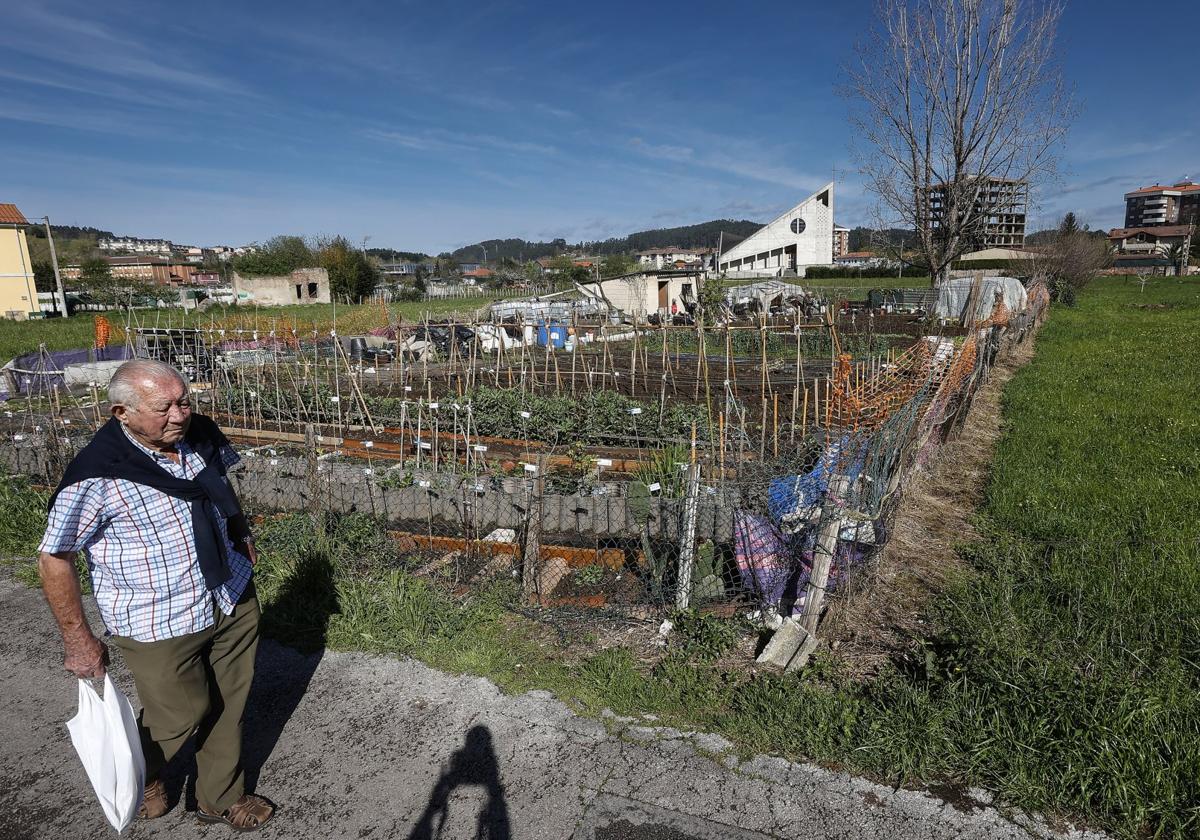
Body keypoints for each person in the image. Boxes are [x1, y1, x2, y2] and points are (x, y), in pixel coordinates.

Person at [37, 359, 275, 831]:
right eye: (162, 407)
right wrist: (78, 640)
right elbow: (54, 558)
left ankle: (218, 798)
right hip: (156, 618)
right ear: (121, 413)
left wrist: (239, 530)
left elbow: (219, 489)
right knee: (181, 712)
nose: (179, 414)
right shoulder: (97, 475)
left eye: (184, 401)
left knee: (229, 699)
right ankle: (142, 770)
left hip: (228, 591)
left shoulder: (199, 435)